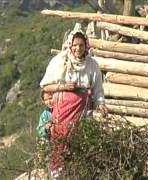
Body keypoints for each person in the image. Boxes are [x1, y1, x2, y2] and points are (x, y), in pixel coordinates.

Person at [39, 24, 108, 177]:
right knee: (60, 142)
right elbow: (45, 88)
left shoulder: (92, 65)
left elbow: (97, 89)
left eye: (81, 45)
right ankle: (58, 175)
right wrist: (63, 86)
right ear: (69, 45)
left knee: (78, 143)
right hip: (61, 112)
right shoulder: (58, 62)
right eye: (75, 45)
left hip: (80, 113)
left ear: (86, 46)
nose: (78, 49)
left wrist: (100, 104)